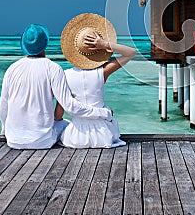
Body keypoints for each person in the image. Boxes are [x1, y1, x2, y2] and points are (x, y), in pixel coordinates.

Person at [0, 24, 113, 150]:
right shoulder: (53, 68)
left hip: (13, 140)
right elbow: (70, 106)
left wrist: (5, 130)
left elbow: (3, 107)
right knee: (67, 125)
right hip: (42, 141)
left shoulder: (12, 69)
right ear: (45, 44)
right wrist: (103, 113)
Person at [56, 13, 136, 148]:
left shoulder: (64, 75)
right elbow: (131, 52)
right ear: (97, 51)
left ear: (74, 51)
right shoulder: (102, 72)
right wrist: (104, 44)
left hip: (76, 137)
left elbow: (58, 114)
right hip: (103, 135)